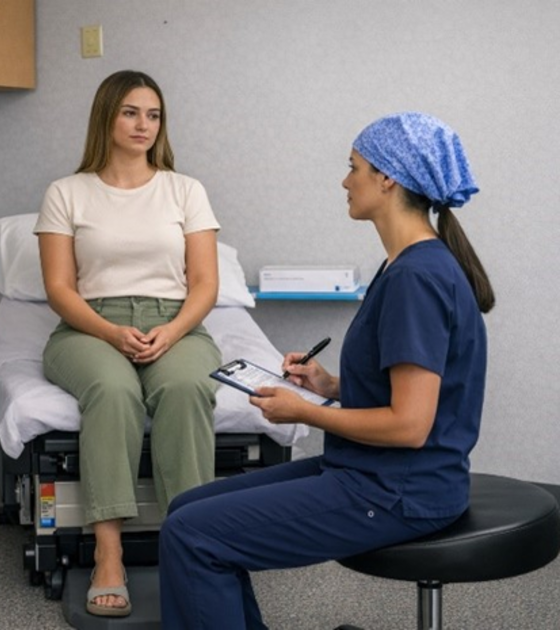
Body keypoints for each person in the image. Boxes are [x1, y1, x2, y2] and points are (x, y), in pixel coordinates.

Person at [158, 112, 495, 629]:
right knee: (186, 509)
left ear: (388, 178)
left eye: (353, 167)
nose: (345, 180)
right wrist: (329, 385)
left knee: (194, 534)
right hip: (374, 470)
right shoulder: (405, 264)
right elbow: (414, 387)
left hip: (398, 491)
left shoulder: (415, 278)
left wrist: (303, 413)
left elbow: (410, 425)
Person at [34, 69, 222, 618]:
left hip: (175, 318)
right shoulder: (66, 193)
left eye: (154, 114)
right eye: (131, 112)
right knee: (114, 392)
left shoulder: (185, 189)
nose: (144, 125)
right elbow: (58, 289)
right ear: (106, 117)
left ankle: (193, 549)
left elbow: (206, 283)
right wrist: (112, 332)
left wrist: (173, 330)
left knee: (187, 386)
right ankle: (108, 555)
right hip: (89, 325)